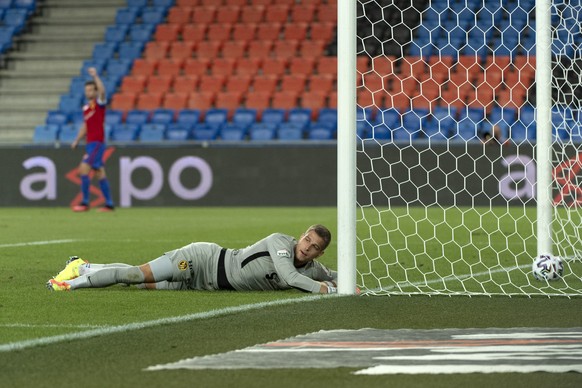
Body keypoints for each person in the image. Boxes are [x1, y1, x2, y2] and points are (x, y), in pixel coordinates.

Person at [46, 224, 338, 294]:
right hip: (201, 261)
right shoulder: (280, 244)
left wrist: (344, 283)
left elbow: (333, 274)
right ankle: (69, 284)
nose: (306, 247)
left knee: (140, 284)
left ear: (318, 253)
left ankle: (82, 265)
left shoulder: (312, 268)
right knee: (136, 275)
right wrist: (328, 290)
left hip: (205, 285)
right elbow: (290, 278)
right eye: (306, 240)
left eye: (313, 247)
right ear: (301, 236)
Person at [70, 67, 114, 212]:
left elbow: (102, 91)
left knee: (83, 170)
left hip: (97, 143)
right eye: (86, 90)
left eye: (90, 90)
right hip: (90, 143)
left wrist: (96, 76)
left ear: (94, 92)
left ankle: (85, 203)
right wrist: (77, 140)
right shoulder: (86, 108)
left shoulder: (99, 104)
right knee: (100, 172)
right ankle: (109, 204)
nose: (88, 92)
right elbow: (85, 126)